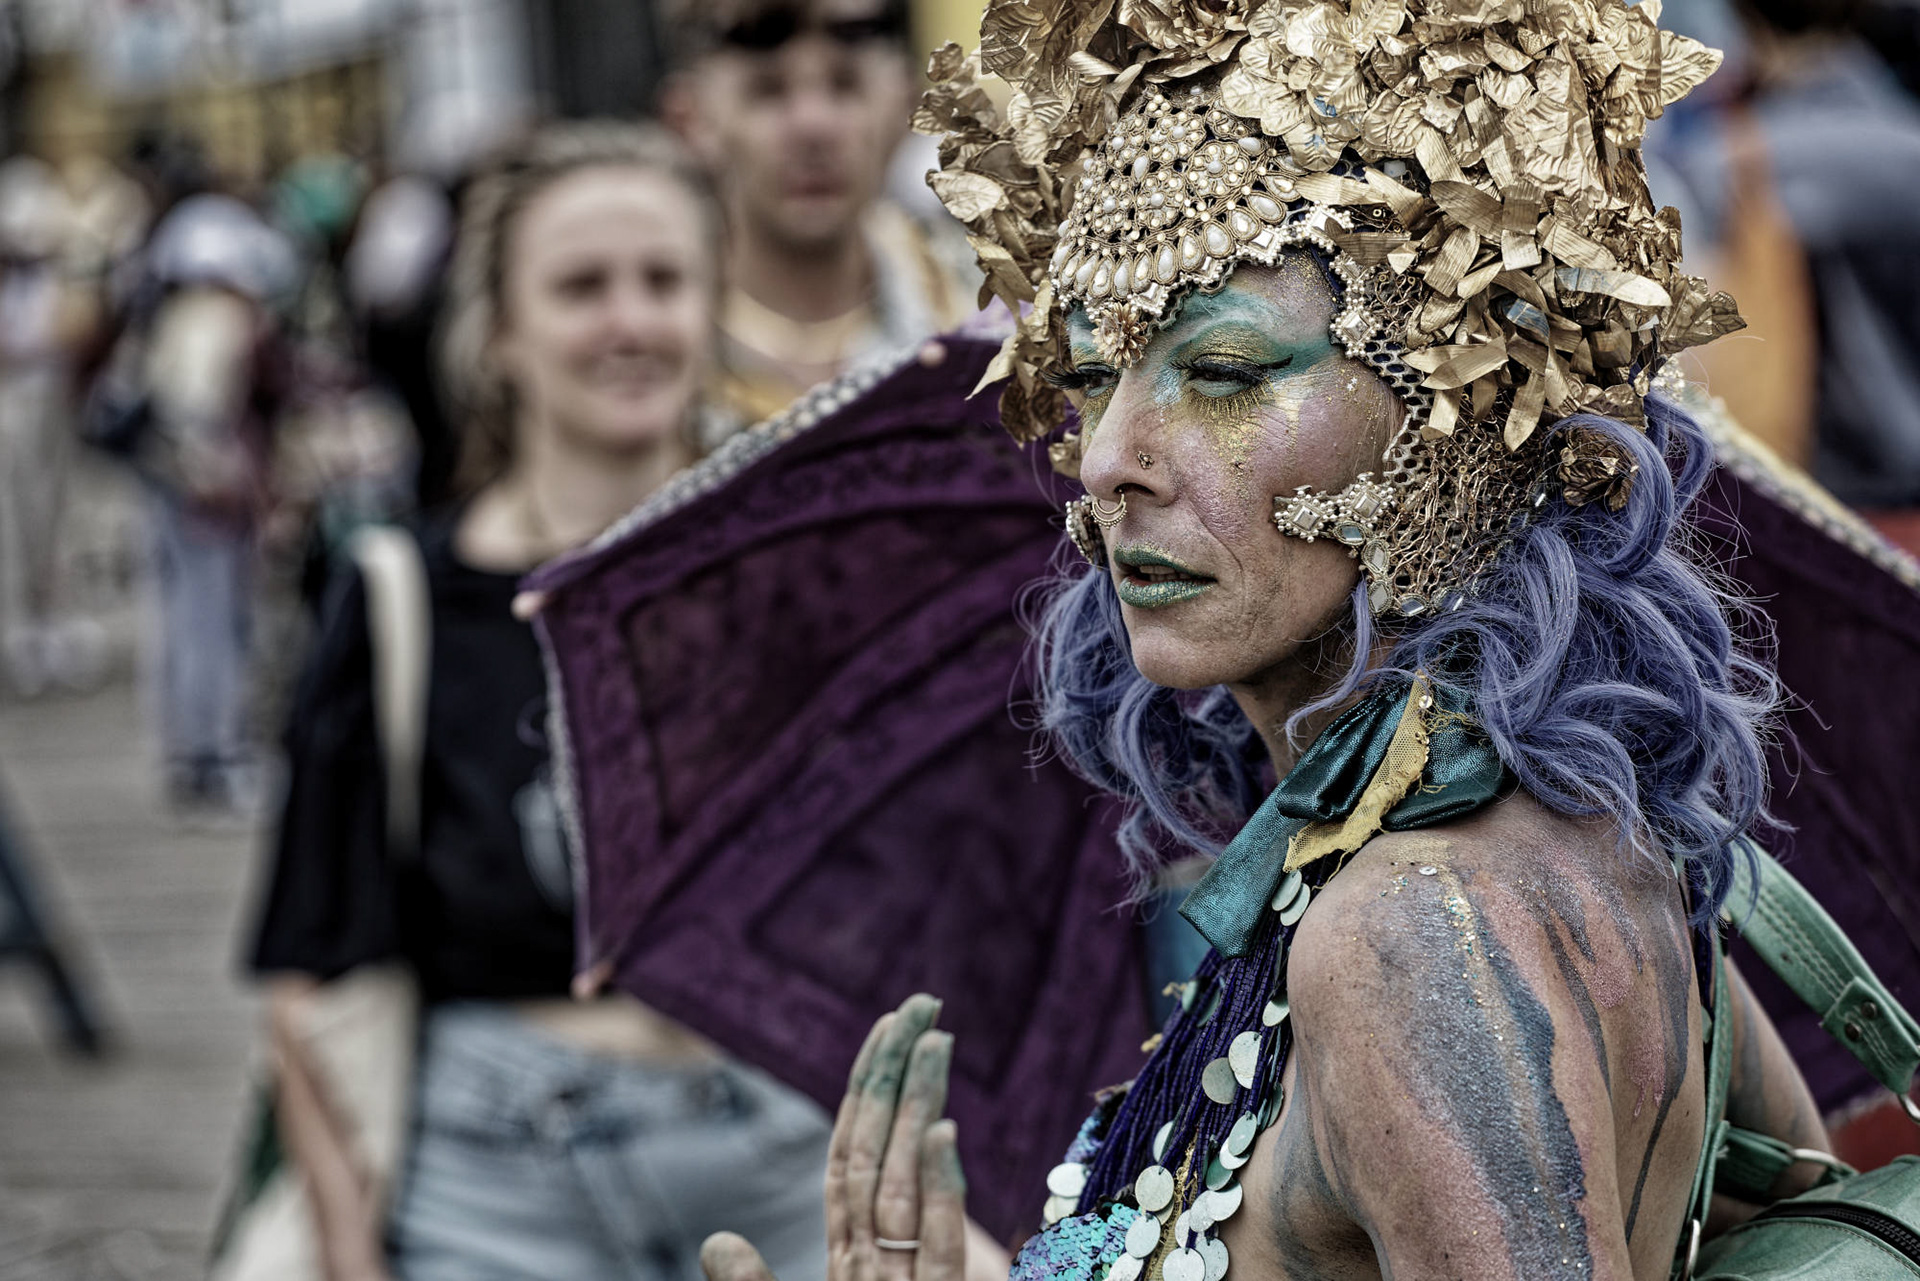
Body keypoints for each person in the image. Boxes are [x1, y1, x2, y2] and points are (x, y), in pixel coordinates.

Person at [699, 0, 1852, 1272]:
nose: (1109, 460)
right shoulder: (1603, 847)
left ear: (1451, 423)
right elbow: (1796, 1228)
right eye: (1091, 377)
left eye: (1228, 373)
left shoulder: (1415, 932)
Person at [245, 122, 832, 1281]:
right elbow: (311, 971)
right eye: (579, 287)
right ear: (499, 334)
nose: (628, 321)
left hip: (784, 1164)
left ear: (710, 303)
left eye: (662, 280)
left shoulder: (801, 573)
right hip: (494, 1184)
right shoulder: (399, 597)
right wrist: (350, 1256)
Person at [661, 0, 974, 426]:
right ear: (691, 119)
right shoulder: (658, 339)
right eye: (767, 90)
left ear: (906, 108)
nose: (813, 127)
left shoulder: (985, 306)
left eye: (847, 85)